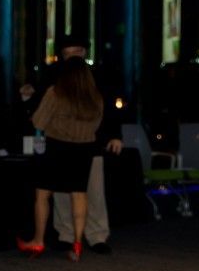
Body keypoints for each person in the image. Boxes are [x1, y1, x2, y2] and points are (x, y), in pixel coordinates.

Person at [21, 34, 124, 254]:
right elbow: (102, 113)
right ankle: (71, 238)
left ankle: (92, 236)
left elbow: (41, 116)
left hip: (68, 144)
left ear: (84, 52)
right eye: (67, 53)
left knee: (83, 192)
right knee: (74, 194)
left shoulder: (91, 79)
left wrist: (114, 135)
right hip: (86, 143)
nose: (71, 57)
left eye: (75, 52)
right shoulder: (69, 81)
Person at [18, 56, 103, 261]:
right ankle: (77, 245)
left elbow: (38, 122)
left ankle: (38, 241)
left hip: (57, 148)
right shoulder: (95, 98)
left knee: (42, 195)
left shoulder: (55, 93)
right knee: (79, 194)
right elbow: (97, 126)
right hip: (84, 150)